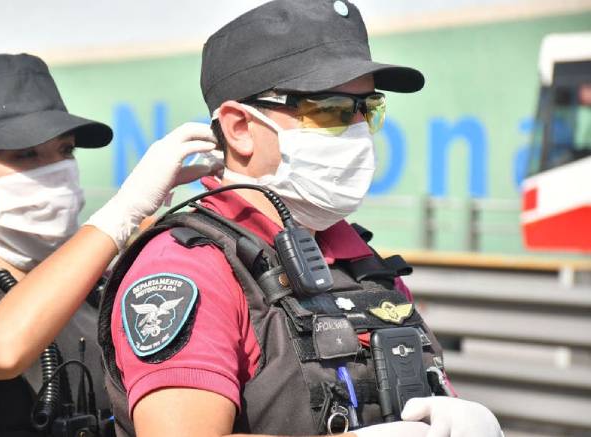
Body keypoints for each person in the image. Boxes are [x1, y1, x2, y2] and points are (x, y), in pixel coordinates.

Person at [99, 1, 503, 436]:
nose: (357, 129)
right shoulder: (189, 265)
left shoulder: (362, 262)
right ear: (238, 126)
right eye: (330, 110)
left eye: (367, 108)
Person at [0, 53, 218, 436]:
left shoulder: (101, 290)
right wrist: (123, 212)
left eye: (65, 150)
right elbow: (0, 348)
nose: (57, 170)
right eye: (27, 154)